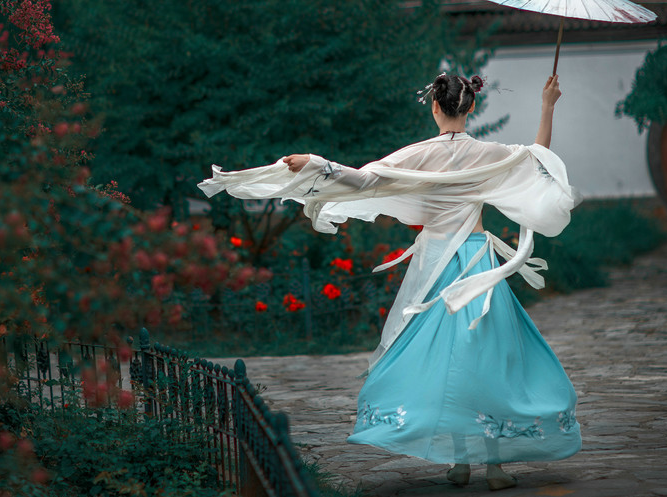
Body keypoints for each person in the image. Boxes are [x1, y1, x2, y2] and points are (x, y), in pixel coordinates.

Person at [198, 72, 581, 491]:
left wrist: (316, 164)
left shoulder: (417, 154)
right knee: (482, 357)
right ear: (471, 107)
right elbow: (538, 158)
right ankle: (492, 466)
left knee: (442, 359)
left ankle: (459, 461)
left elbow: (363, 179)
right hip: (474, 261)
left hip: (435, 259)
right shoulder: (489, 153)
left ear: (435, 106)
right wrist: (548, 105)